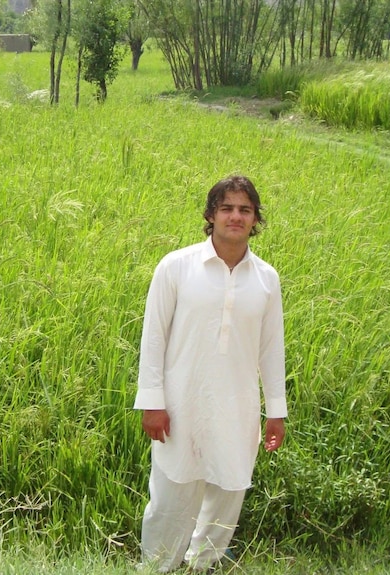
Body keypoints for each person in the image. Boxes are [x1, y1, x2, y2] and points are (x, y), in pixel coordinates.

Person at [134, 175, 287, 572]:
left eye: (245, 210)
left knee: (230, 487)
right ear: (211, 215)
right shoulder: (176, 267)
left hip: (237, 406)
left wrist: (276, 411)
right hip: (181, 403)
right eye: (227, 208)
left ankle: (202, 564)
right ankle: (158, 566)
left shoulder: (266, 280)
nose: (235, 216)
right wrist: (152, 402)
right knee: (171, 494)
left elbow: (272, 350)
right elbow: (153, 340)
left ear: (256, 219)